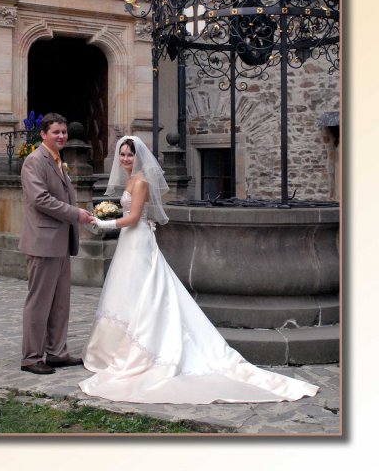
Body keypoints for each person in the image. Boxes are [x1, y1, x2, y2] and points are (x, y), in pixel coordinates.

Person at [79, 135, 319, 404]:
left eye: (130, 154)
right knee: (127, 290)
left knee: (144, 289)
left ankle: (141, 347)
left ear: (138, 157)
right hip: (129, 240)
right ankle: (114, 347)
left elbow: (134, 218)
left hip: (138, 241)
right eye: (122, 154)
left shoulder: (142, 181)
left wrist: (104, 224)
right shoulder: (130, 180)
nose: (125, 159)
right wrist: (109, 217)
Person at [19, 113, 94, 375]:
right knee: (39, 302)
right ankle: (31, 357)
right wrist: (76, 214)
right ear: (43, 134)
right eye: (56, 132)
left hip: (61, 242)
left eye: (64, 132)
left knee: (60, 302)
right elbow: (40, 199)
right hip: (43, 242)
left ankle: (57, 353)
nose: (61, 136)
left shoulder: (57, 160)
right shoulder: (34, 161)